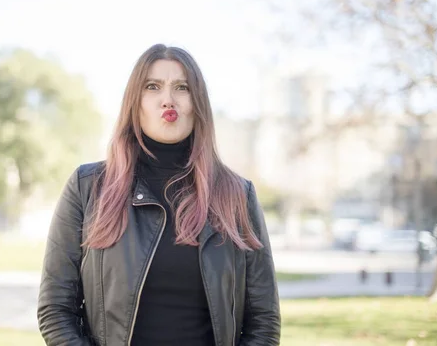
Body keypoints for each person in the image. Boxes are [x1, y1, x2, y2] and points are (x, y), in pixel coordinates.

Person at [37, 44, 281, 346]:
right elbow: (56, 309)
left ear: (198, 103)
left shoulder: (236, 195)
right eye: (153, 87)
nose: (168, 99)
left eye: (182, 88)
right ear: (135, 102)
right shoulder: (88, 187)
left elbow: (264, 322)